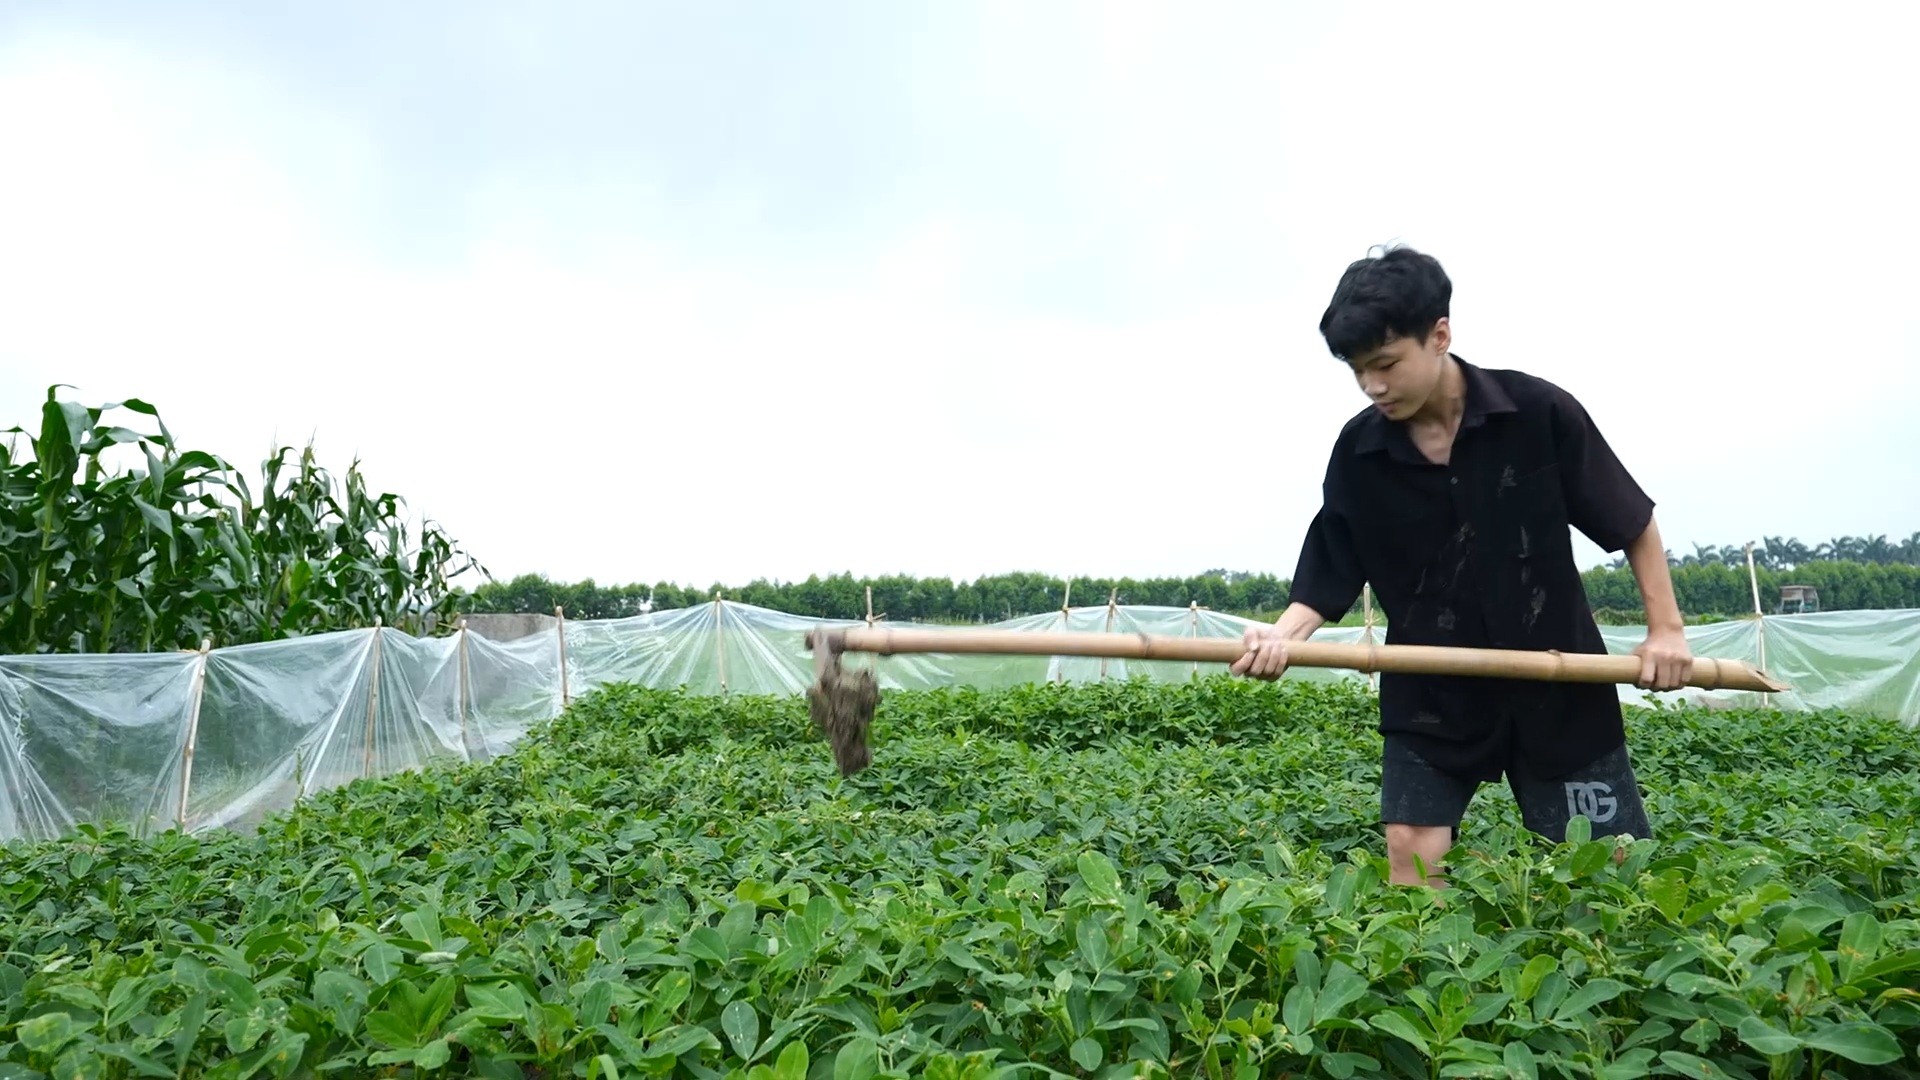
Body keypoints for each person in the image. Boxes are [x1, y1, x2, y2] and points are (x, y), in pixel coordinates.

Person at [1232, 244, 1693, 887]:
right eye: (1359, 371)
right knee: (1410, 849)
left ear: (1440, 335)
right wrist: (1282, 637)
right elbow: (1332, 560)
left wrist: (1665, 632)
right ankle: (1426, 967)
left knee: (1609, 867)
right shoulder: (1360, 451)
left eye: (1387, 364)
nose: (1373, 386)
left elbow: (1632, 522)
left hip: (1559, 677)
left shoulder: (1538, 413)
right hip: (1432, 689)